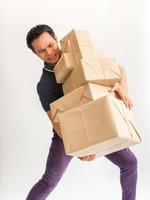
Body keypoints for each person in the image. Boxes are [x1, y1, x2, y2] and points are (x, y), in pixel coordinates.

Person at [26, 24, 137, 200]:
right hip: (69, 133)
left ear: (56, 38)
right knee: (50, 180)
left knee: (130, 163)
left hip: (99, 120)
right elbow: (56, 122)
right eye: (41, 51)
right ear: (36, 54)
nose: (49, 52)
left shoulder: (78, 56)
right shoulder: (45, 85)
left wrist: (121, 87)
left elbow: (119, 69)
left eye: (50, 45)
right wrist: (77, 149)